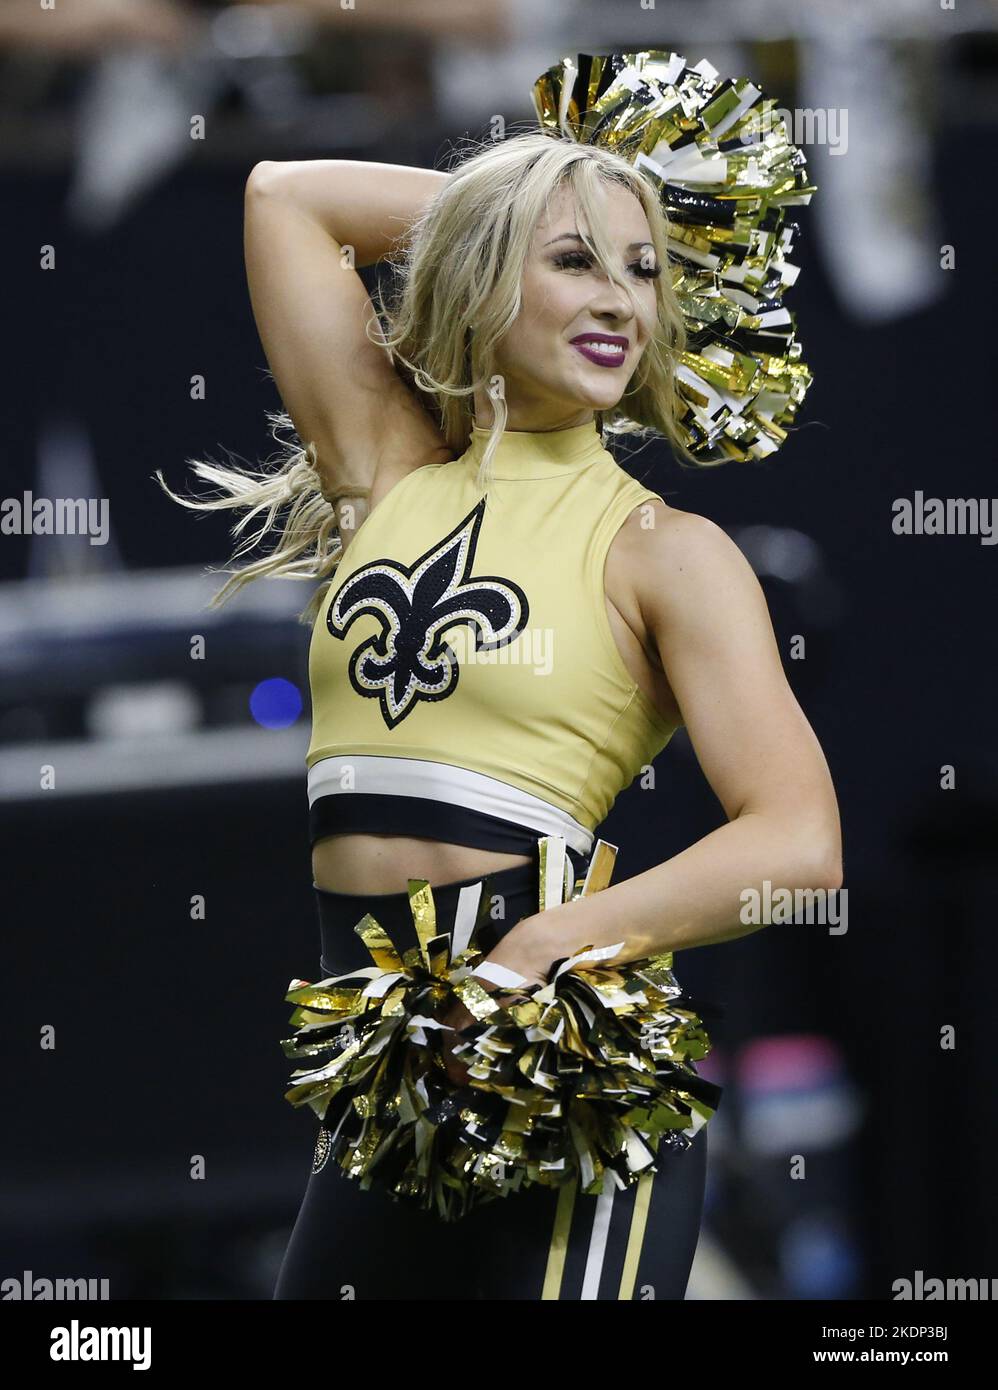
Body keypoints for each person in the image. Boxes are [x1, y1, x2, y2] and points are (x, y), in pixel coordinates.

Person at [157, 129, 842, 1299]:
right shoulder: (385, 469)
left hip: (564, 1064)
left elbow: (797, 845)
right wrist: (527, 205)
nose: (620, 300)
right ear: (485, 272)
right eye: (577, 262)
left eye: (644, 272)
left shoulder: (666, 553)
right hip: (389, 1073)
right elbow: (284, 196)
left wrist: (542, 943)